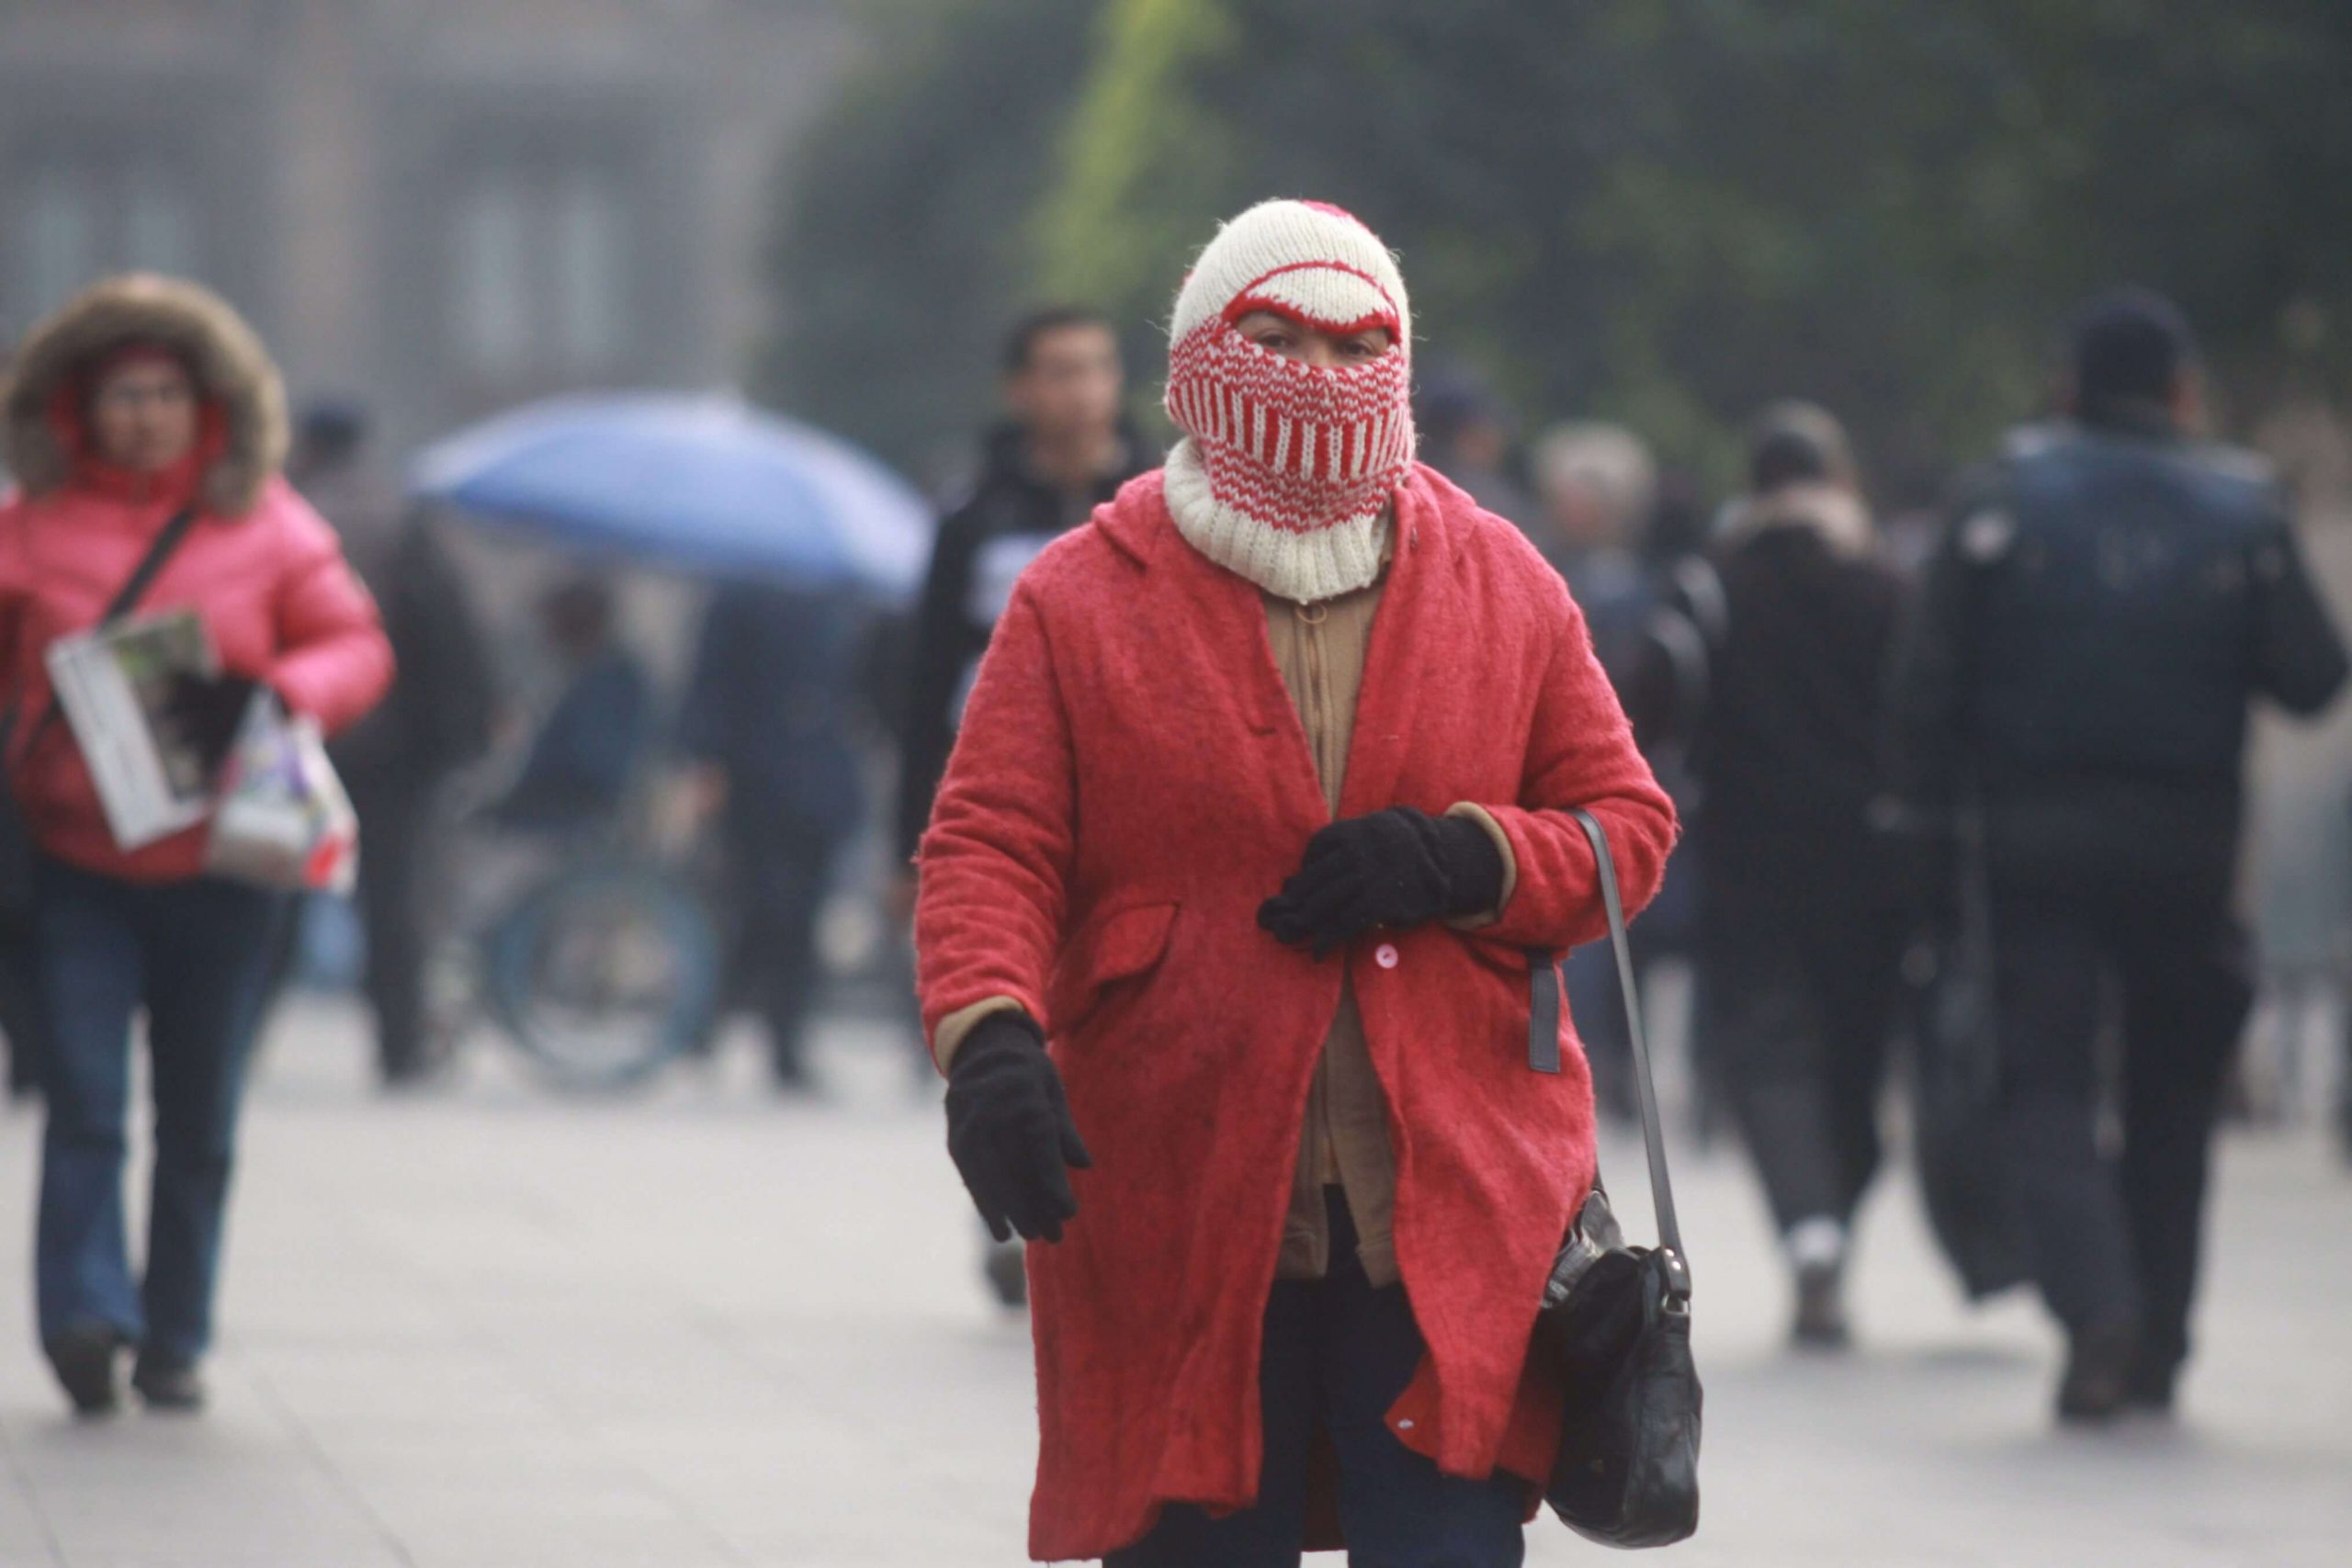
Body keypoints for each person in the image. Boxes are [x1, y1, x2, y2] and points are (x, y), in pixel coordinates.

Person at [915, 200, 1675, 1566]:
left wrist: (1465, 855)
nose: (1313, 375)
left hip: (1446, 1202)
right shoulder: (1078, 595)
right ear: (1199, 355)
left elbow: (1625, 824)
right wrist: (990, 1037)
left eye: (1352, 342)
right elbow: (989, 843)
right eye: (1270, 337)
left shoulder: (1503, 578)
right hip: (1182, 1187)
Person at [1892, 288, 2348, 1423]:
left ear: (2066, 388)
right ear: (2183, 391)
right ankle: (2160, 1345)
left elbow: (1923, 687)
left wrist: (1923, 830)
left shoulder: (1997, 496)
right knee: (2174, 1093)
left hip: (2031, 843)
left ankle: (2095, 1310)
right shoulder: (2241, 506)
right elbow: (2311, 675)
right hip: (2187, 846)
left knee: (2040, 1083)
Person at [0, 274, 392, 1414]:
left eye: (166, 392)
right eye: (122, 391)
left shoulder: (266, 522)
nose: (144, 413)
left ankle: (174, 1330)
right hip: (74, 865)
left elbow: (357, 644)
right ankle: (83, 1316)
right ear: (77, 404)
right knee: (82, 1099)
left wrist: (277, 691)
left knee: (199, 1111)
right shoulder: (28, 530)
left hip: (227, 866)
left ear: (206, 402)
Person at [896, 305, 1143, 1303]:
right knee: (1008, 1012)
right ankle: (1013, 1202)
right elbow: (922, 688)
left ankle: (1117, 1207)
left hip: (1130, 802)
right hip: (1007, 807)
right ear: (1020, 390)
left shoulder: (1165, 498)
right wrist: (905, 843)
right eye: (1058, 371)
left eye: (1096, 368)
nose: (1081, 391)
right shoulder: (973, 521)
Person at [1649, 403, 1905, 1348]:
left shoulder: (1711, 585)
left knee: (1764, 1049)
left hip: (1747, 857)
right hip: (1871, 864)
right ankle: (1827, 1218)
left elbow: (1649, 701)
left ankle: (1807, 1227)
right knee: (1853, 1053)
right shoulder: (1884, 583)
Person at [299, 403, 495, 1089]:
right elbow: (452, 636)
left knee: (275, 890)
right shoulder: (402, 519)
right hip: (393, 748)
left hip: (302, 736)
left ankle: (233, 1040)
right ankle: (399, 1045)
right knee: (392, 901)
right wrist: (463, 736)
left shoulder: (291, 517)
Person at [676, 581, 868, 1090]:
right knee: (759, 909)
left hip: (822, 784)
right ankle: (710, 1022)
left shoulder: (846, 599)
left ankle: (785, 1042)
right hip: (756, 781)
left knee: (801, 917)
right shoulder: (738, 596)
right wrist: (708, 760)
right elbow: (711, 682)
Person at [489, 577, 648, 837]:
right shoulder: (583, 675)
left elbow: (593, 766)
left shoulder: (613, 683)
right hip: (542, 816)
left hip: (566, 828)